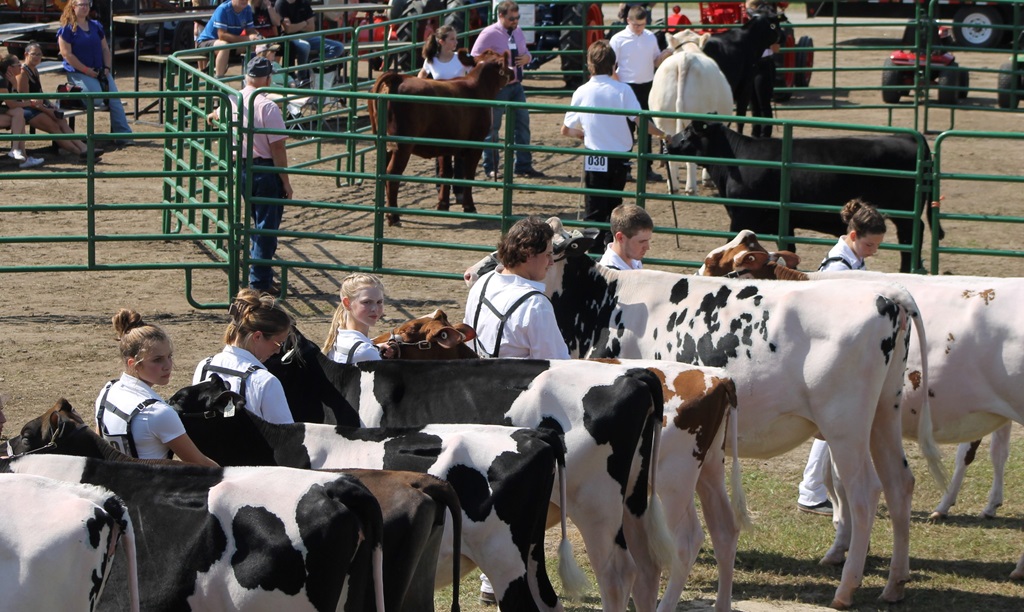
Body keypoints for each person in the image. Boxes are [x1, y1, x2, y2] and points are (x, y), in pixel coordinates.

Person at [797, 198, 887, 516]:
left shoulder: (851, 261)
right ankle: (811, 490)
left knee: (834, 423)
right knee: (832, 422)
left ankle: (814, 489)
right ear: (853, 236)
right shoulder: (838, 266)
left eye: (877, 245)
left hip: (836, 350)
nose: (873, 251)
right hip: (827, 351)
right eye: (869, 244)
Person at [561, 40, 663, 253]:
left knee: (594, 208)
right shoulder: (623, 90)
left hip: (594, 155)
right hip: (619, 156)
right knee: (614, 204)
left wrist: (583, 133)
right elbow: (640, 121)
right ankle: (611, 249)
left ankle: (594, 251)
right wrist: (664, 135)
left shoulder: (582, 91)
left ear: (590, 65)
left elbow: (566, 129)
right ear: (613, 65)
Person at [208, 56, 293, 292]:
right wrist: (285, 181)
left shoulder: (233, 99)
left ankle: (259, 274)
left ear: (247, 76)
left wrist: (212, 117)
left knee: (256, 223)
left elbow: (215, 115)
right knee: (266, 226)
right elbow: (278, 148)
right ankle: (258, 283)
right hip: (265, 170)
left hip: (244, 169)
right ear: (267, 78)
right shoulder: (267, 106)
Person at [95, 308, 218, 465]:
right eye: (157, 359)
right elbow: (200, 464)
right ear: (133, 364)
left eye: (169, 356)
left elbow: (100, 448)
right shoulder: (157, 413)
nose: (168, 365)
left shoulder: (107, 391)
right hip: (152, 487)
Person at [464, 215, 570, 360]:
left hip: (475, 376)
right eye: (547, 255)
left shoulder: (482, 283)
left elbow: (468, 341)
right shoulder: (536, 305)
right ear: (528, 255)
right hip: (516, 382)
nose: (551, 262)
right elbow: (556, 364)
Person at [193, 288, 295, 424]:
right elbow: (285, 436)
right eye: (279, 343)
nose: (278, 351)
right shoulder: (265, 382)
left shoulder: (204, 366)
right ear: (257, 336)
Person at [470, 0, 544, 180]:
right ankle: (491, 167)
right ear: (501, 15)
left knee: (523, 125)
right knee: (493, 128)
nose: (516, 21)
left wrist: (527, 58)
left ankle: (523, 165)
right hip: (499, 88)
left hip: (516, 85)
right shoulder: (488, 34)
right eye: (512, 18)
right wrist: (495, 64)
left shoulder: (517, 31)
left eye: (517, 18)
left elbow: (525, 52)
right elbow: (475, 56)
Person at [57, 0, 133, 145]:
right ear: (73, 7)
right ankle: (69, 95)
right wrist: (86, 70)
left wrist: (107, 68)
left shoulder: (96, 26)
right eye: (82, 5)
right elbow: (67, 54)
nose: (85, 8)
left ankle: (124, 136)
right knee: (96, 99)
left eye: (87, 4)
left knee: (115, 99)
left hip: (100, 71)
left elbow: (105, 49)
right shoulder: (67, 29)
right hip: (78, 72)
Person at [609, 5, 671, 182]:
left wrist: (667, 53)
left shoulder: (650, 37)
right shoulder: (618, 39)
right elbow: (611, 66)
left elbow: (656, 61)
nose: (639, 28)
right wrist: (619, 87)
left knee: (646, 128)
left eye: (642, 25)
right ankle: (624, 167)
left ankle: (646, 168)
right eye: (636, 25)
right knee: (625, 130)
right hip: (627, 87)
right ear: (628, 21)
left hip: (647, 87)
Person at [2, 51, 97, 160]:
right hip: (28, 108)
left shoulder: (34, 70)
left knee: (61, 120)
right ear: (26, 54)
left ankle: (84, 148)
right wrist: (45, 109)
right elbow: (22, 99)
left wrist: (49, 106)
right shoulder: (22, 73)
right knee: (54, 126)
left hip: (31, 107)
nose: (37, 57)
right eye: (34, 54)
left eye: (39, 54)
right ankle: (81, 154)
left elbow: (39, 94)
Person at [417, 25, 474, 206]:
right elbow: (421, 77)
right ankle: (442, 189)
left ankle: (457, 190)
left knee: (460, 154)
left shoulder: (461, 60)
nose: (456, 42)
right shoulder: (431, 60)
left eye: (456, 39)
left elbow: (473, 78)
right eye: (452, 39)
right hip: (440, 113)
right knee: (441, 153)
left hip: (460, 111)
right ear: (441, 42)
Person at [321, 273, 397, 364]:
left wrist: (375, 347)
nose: (375, 309)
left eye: (379, 302)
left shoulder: (337, 335)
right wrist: (371, 351)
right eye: (367, 302)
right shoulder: (365, 352)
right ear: (347, 303)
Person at [275, 0, 345, 76]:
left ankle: (314, 66)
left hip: (307, 36)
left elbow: (311, 27)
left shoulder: (303, 2)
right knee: (305, 46)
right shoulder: (281, 3)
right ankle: (303, 78)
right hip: (290, 38)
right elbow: (288, 29)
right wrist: (304, 23)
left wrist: (296, 26)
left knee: (338, 47)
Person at [195, 0, 259, 79]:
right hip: (205, 43)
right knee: (224, 45)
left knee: (254, 45)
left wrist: (255, 37)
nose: (244, 1)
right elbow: (222, 35)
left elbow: (250, 30)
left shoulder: (247, 9)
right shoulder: (223, 9)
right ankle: (218, 82)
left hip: (228, 44)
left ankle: (253, 78)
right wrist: (247, 38)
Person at [0, 69, 44, 169]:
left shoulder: (6, 79)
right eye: (17, 65)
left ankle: (20, 153)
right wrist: (30, 103)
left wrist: (14, 85)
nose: (21, 66)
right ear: (10, 68)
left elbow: (14, 104)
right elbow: (11, 104)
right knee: (19, 118)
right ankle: (21, 155)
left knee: (19, 114)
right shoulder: (1, 80)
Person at [598, 203, 653, 270]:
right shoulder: (608, 274)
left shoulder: (634, 260)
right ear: (620, 238)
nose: (647, 247)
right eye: (641, 241)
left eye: (648, 240)